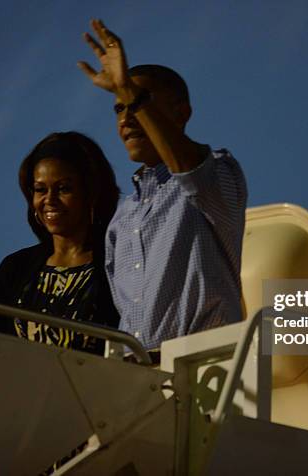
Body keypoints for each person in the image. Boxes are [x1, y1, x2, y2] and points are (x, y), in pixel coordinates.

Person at [77, 19, 247, 349]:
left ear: (182, 114)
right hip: (136, 381)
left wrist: (126, 86)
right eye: (118, 108)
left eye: (139, 102)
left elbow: (191, 167)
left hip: (208, 373)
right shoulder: (122, 219)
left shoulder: (216, 174)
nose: (126, 119)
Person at [0, 131, 120, 356]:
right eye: (40, 190)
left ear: (90, 193)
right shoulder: (14, 269)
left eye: (64, 189)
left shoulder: (118, 262)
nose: (49, 200)